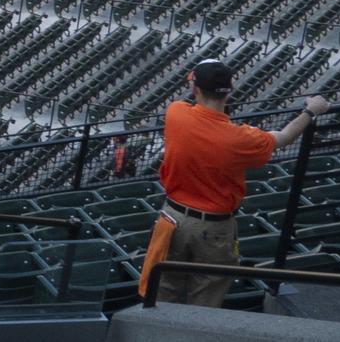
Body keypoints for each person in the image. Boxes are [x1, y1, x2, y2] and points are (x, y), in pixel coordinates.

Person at [139, 60, 329, 306]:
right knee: (206, 296)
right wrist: (311, 111)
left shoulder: (175, 112)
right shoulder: (242, 139)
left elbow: (194, 105)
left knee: (162, 289)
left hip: (172, 217)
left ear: (195, 88)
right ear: (231, 89)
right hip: (214, 228)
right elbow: (285, 136)